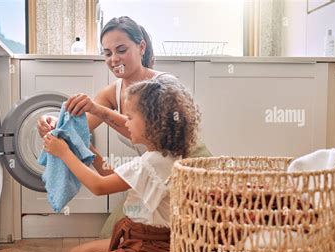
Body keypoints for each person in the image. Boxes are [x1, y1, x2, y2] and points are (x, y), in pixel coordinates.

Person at [37, 16, 212, 238]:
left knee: (193, 232)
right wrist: (51, 123)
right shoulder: (111, 93)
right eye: (107, 53)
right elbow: (76, 131)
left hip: (188, 165)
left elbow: (154, 132)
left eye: (121, 50)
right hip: (151, 170)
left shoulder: (164, 85)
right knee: (112, 236)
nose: (114, 59)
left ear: (141, 47)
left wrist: (100, 110)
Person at [42, 76, 200, 252]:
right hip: (137, 238)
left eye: (130, 117)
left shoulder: (152, 162)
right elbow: (110, 175)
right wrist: (85, 148)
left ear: (153, 123)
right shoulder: (161, 157)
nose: (125, 123)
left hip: (149, 248)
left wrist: (64, 153)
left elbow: (99, 186)